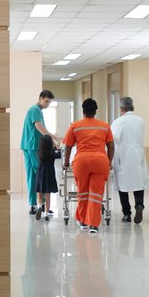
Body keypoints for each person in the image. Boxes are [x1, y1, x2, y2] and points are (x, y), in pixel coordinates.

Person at [63, 97, 113, 233]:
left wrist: (66, 163)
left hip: (82, 162)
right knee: (96, 194)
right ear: (96, 111)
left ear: (83, 111)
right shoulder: (104, 126)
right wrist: (109, 162)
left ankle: (83, 221)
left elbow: (67, 146)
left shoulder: (75, 125)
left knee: (83, 192)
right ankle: (94, 225)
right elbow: (111, 146)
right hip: (100, 161)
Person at [111, 96, 148, 223]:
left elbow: (113, 138)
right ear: (132, 108)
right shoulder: (140, 120)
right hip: (138, 154)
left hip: (123, 155)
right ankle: (139, 205)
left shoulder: (118, 122)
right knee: (138, 182)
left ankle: (127, 214)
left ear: (121, 109)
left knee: (123, 186)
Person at [20, 90, 55, 217]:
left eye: (49, 102)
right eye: (46, 101)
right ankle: (43, 206)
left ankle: (33, 205)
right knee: (41, 175)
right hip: (34, 146)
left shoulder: (35, 110)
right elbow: (40, 128)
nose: (47, 104)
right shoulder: (35, 110)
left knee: (32, 176)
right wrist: (54, 139)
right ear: (40, 98)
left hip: (27, 146)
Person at [33, 125, 60, 221]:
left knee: (39, 193)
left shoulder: (39, 152)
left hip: (40, 173)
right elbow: (59, 154)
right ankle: (46, 213)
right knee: (47, 195)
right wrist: (58, 147)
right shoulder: (52, 153)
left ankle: (39, 206)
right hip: (49, 174)